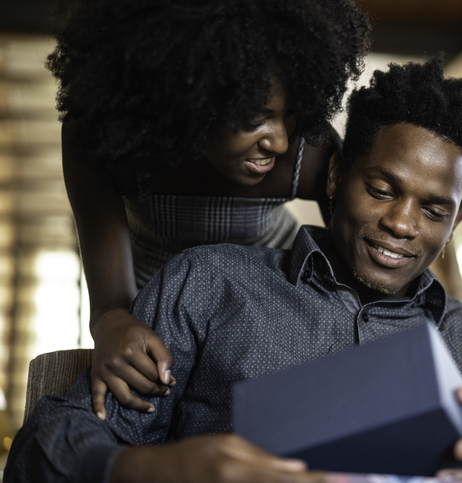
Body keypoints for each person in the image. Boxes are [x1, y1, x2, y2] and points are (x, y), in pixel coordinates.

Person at [5, 58, 462, 483]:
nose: (402, 223)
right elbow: (42, 449)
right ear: (334, 175)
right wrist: (155, 469)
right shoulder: (207, 285)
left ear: (457, 218)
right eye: (380, 190)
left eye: (434, 210)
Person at [48, 0, 370, 418]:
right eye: (256, 119)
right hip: (154, 295)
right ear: (186, 99)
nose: (279, 142)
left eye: (288, 116)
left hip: (271, 288)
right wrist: (114, 324)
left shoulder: (311, 151)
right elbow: (111, 306)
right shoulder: (101, 142)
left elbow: (354, 285)